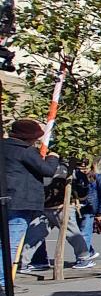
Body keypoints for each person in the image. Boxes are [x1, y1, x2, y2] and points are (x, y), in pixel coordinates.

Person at [1, 119, 59, 286]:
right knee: (11, 245)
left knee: (4, 242)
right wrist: (53, 158)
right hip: (21, 202)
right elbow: (47, 170)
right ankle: (3, 283)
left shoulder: (4, 148)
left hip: (6, 200)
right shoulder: (25, 151)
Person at [76, 160, 101, 263]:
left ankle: (83, 260)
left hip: (89, 210)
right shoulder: (77, 177)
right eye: (81, 167)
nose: (83, 169)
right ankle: (89, 252)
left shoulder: (98, 179)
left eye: (85, 166)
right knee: (76, 234)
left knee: (84, 234)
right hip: (77, 209)